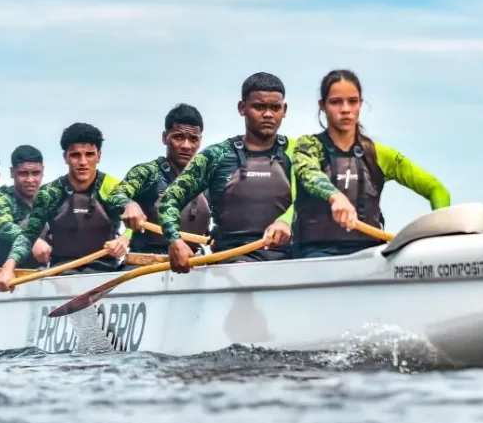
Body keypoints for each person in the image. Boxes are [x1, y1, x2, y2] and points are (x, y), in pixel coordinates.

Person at [292, 69, 451, 258]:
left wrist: (443, 233)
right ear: (323, 106)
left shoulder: (379, 154)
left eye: (352, 101)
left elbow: (436, 189)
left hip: (368, 255)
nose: (345, 109)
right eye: (336, 102)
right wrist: (335, 196)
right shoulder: (308, 146)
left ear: (360, 103)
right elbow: (308, 173)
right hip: (315, 255)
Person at [158, 72, 295, 273]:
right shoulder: (217, 155)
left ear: (284, 110)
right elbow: (169, 200)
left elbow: (313, 199)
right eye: (259, 107)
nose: (268, 114)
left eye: (275, 108)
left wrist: (285, 221)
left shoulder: (299, 152)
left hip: (289, 257)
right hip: (232, 258)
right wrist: (175, 241)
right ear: (242, 108)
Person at [0, 123, 131, 291]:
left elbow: (136, 222)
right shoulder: (49, 193)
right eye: (75, 155)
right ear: (65, 157)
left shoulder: (113, 187)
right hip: (62, 273)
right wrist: (8, 268)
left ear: (99, 155)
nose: (83, 162)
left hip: (106, 272)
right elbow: (27, 237)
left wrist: (125, 238)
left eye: (89, 155)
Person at [114, 103, 212, 255]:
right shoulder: (147, 172)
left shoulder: (207, 179)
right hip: (146, 267)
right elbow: (115, 195)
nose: (186, 146)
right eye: (178, 137)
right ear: (165, 138)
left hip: (194, 265)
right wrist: (128, 204)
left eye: (193, 139)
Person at [0, 144, 49, 274]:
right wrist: (33, 241)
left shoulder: (47, 200)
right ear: (12, 172)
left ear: (42, 171)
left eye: (35, 173)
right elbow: (7, 227)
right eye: (23, 173)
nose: (30, 180)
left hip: (35, 276)